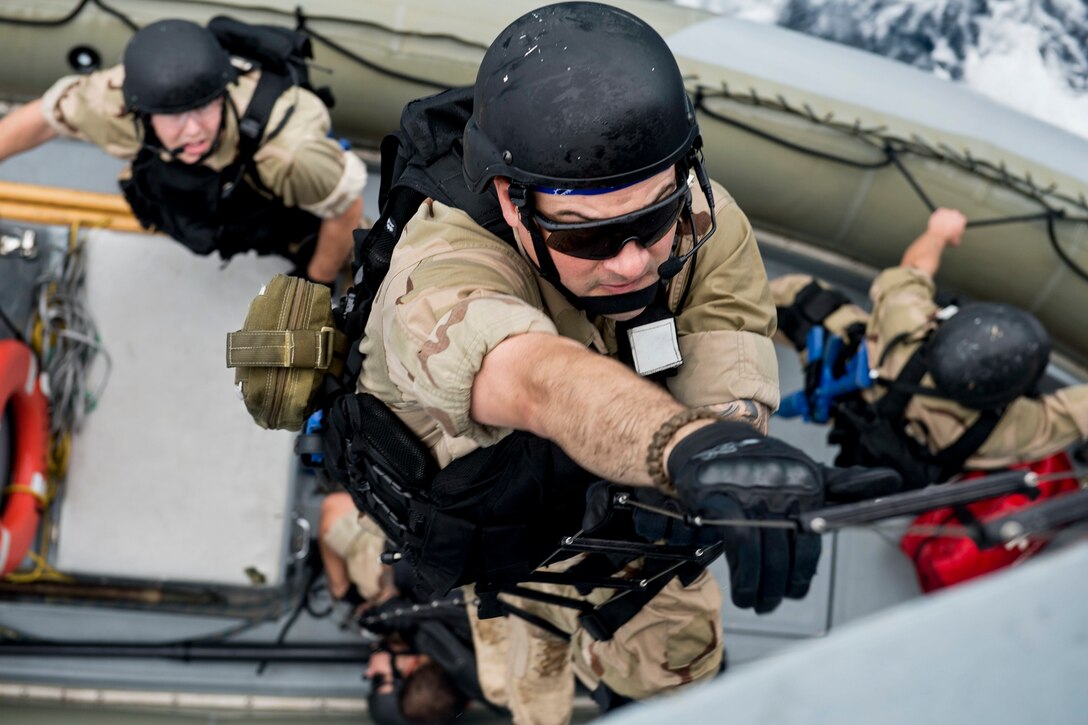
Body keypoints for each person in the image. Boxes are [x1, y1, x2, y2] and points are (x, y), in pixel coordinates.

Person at [319, 4, 898, 723]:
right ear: (510, 199)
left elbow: (727, 358)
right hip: (503, 533)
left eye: (653, 217)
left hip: (622, 510)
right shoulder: (439, 272)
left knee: (678, 666)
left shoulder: (707, 221)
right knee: (525, 691)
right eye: (587, 236)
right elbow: (535, 379)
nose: (632, 260)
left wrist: (734, 455)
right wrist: (681, 446)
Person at [772, 207, 1088, 591]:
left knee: (799, 295)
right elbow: (1077, 411)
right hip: (902, 466)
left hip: (856, 395)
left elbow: (915, 266)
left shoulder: (904, 323)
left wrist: (939, 232)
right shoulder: (1013, 430)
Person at [0, 18, 365, 285]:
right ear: (140, 112)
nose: (193, 129)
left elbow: (345, 208)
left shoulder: (288, 150)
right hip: (213, 196)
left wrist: (315, 282)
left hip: (288, 208)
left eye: (204, 107)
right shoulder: (110, 105)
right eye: (173, 115)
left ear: (224, 93)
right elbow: (46, 118)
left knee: (330, 250)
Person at [319, 492, 478, 724]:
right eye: (378, 680)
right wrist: (341, 588)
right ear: (411, 667)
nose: (368, 673)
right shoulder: (372, 584)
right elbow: (333, 506)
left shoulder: (478, 644)